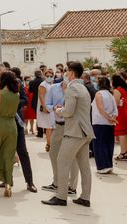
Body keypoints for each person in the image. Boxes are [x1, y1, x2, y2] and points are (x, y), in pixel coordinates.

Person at [42, 61, 94, 208]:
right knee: (84, 166)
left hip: (74, 132)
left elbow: (68, 112)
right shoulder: (83, 88)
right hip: (85, 132)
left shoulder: (72, 89)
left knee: (62, 161)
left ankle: (61, 197)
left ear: (71, 73)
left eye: (66, 71)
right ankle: (85, 197)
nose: (65, 74)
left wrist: (59, 110)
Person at [41, 73, 78, 196]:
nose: (68, 76)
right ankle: (57, 182)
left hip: (71, 126)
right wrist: (55, 108)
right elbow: (48, 104)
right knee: (53, 153)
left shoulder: (74, 88)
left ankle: (72, 187)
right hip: (58, 125)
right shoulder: (54, 88)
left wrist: (64, 109)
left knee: (72, 157)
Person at [9, 67, 37, 192]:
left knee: (23, 152)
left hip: (18, 122)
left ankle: (30, 182)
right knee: (6, 153)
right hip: (4, 122)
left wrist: (13, 103)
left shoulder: (19, 85)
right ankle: (6, 180)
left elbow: (25, 100)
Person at [91, 77, 118, 173]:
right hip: (109, 124)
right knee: (108, 144)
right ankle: (109, 164)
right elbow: (115, 109)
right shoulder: (111, 95)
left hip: (99, 122)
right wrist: (112, 118)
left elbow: (100, 109)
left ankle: (103, 166)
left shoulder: (99, 94)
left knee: (99, 144)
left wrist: (108, 118)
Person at [36, 68, 55, 151]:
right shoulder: (43, 85)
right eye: (47, 76)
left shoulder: (51, 84)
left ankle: (52, 143)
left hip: (51, 107)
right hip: (46, 108)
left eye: (51, 76)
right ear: (44, 76)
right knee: (49, 127)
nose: (49, 77)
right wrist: (44, 107)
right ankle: (49, 144)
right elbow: (41, 97)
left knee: (52, 126)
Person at [112, 74, 127, 160]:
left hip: (120, 113)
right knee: (124, 133)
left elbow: (116, 103)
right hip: (125, 112)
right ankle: (125, 151)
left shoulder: (117, 90)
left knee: (121, 133)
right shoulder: (123, 89)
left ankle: (123, 152)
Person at [28, 69, 44, 137]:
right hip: (43, 100)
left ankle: (40, 132)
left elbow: (30, 90)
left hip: (35, 100)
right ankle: (46, 130)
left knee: (38, 117)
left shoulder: (32, 82)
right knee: (45, 115)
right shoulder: (44, 81)